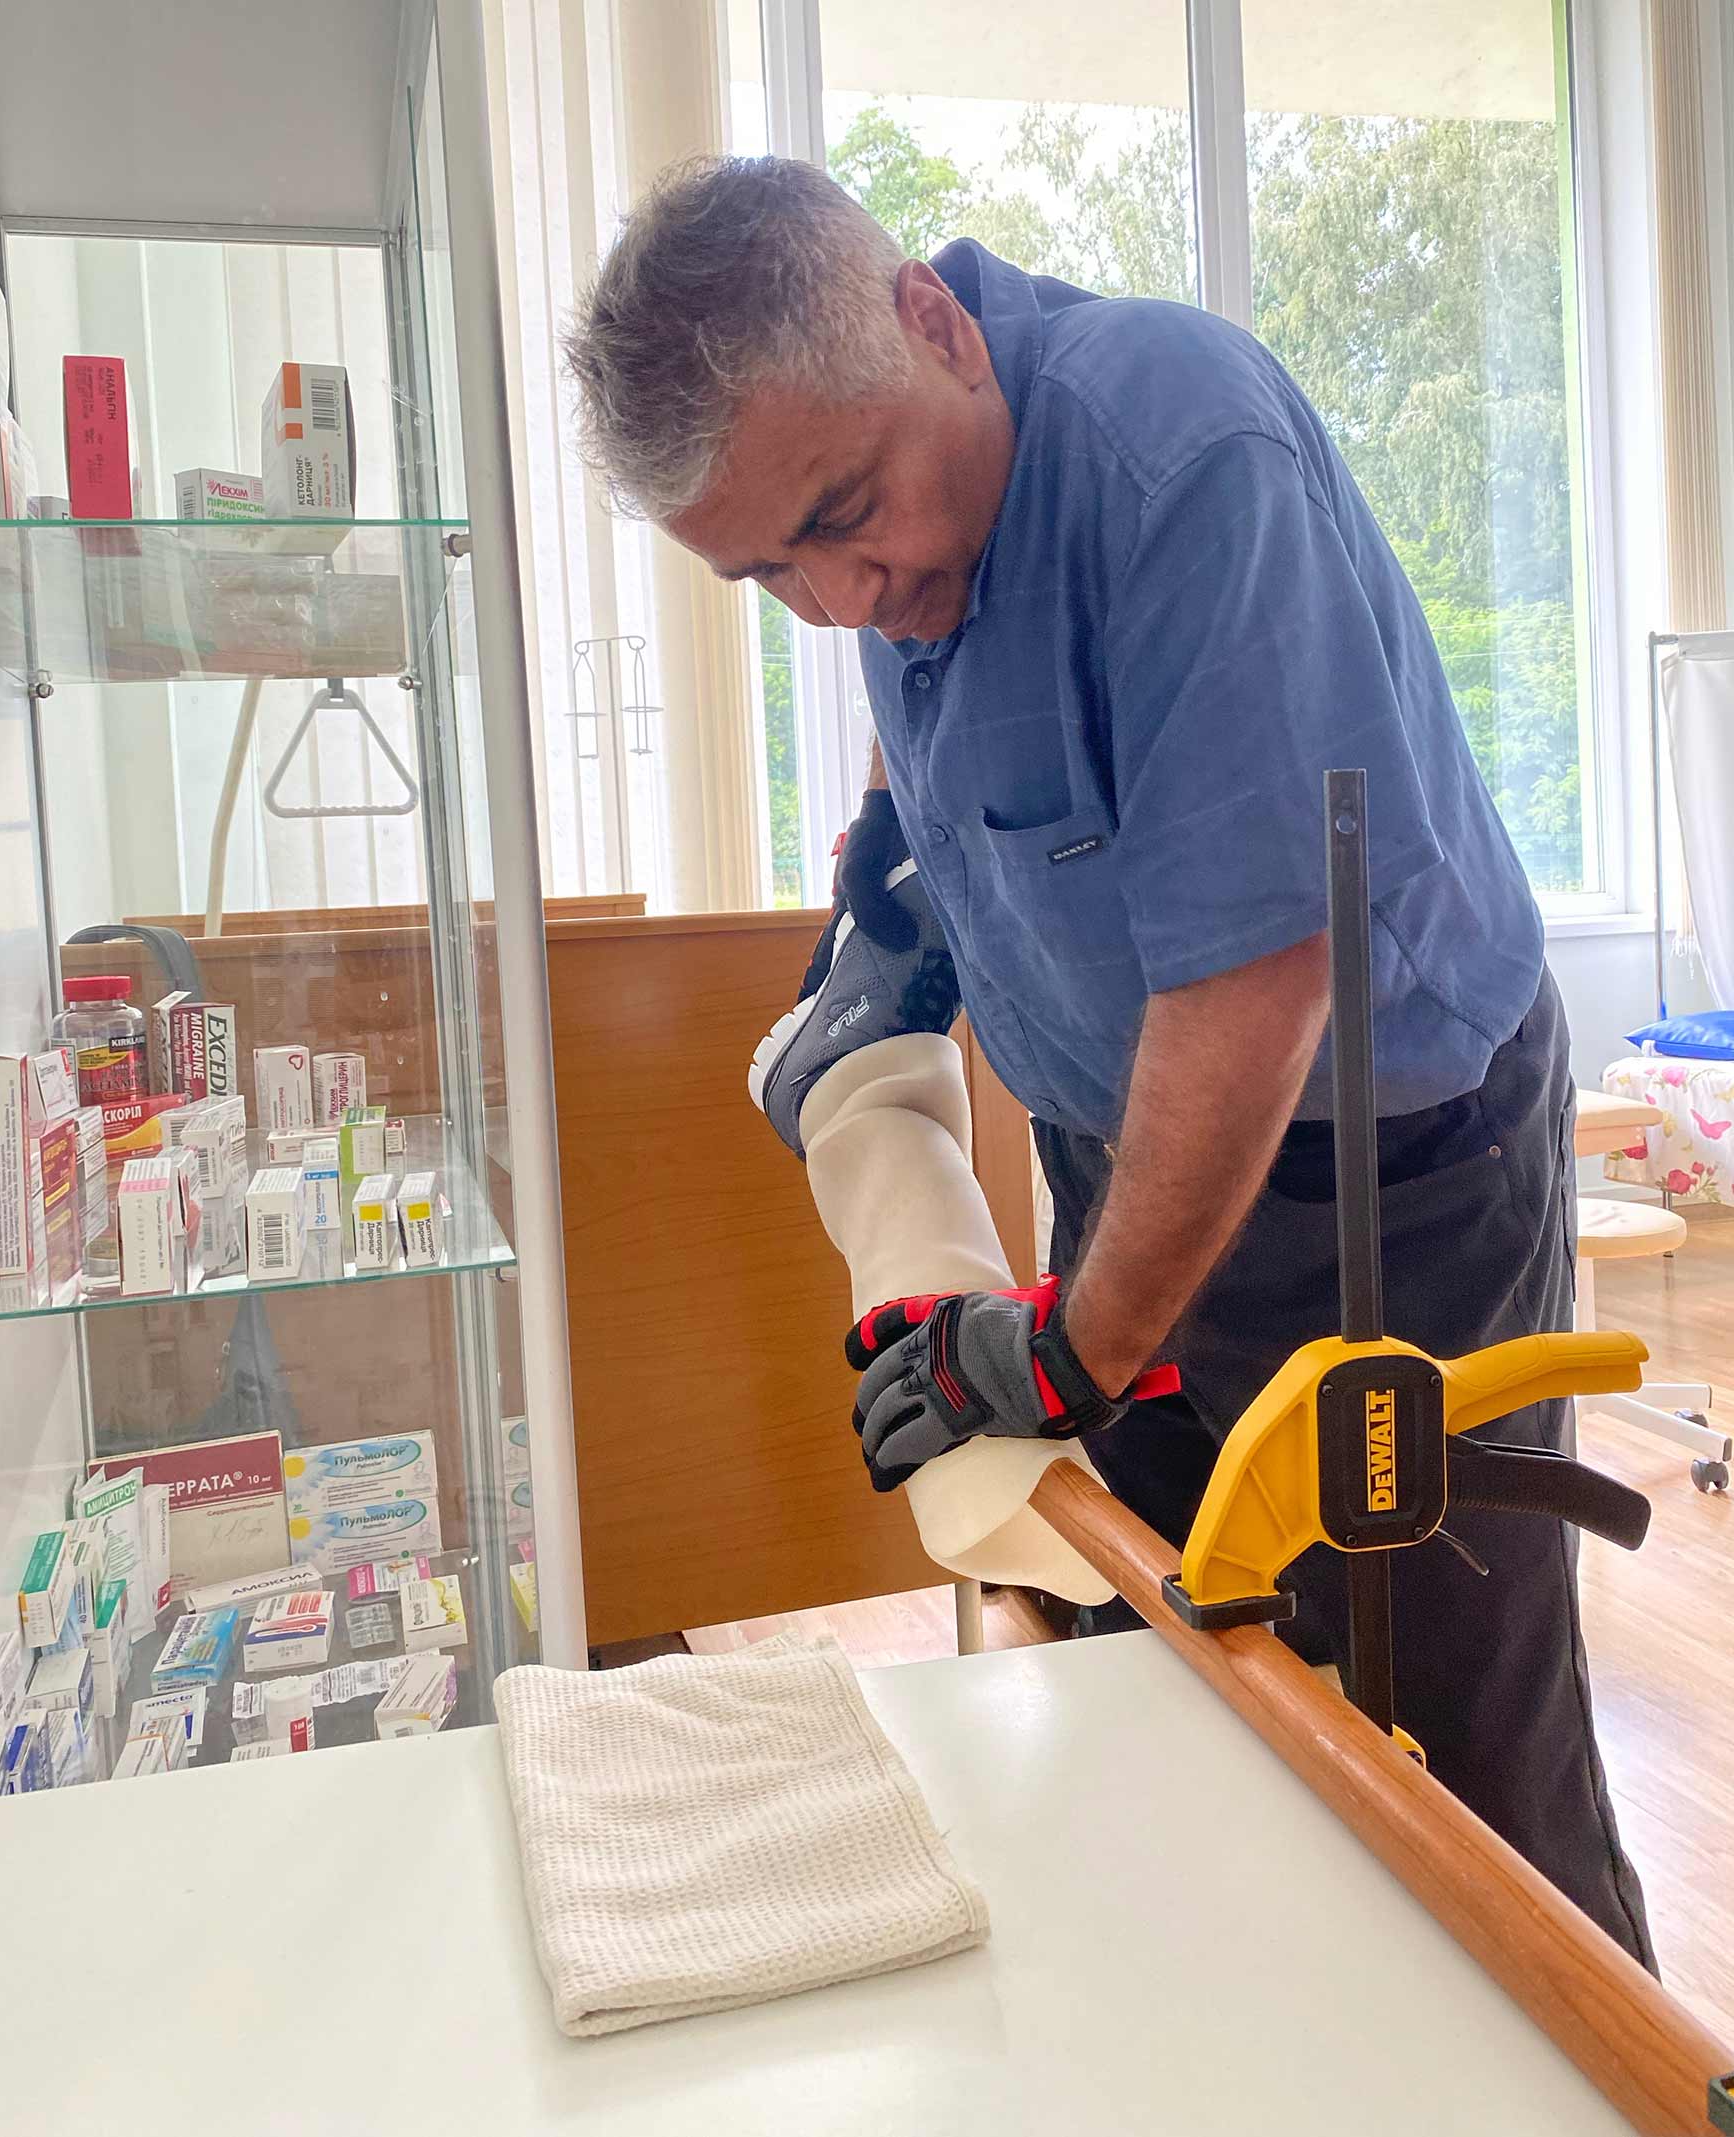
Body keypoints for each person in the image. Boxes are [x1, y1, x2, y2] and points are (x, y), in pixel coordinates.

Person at [563, 154, 1652, 1966]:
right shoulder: (906, 498)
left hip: (1396, 1192)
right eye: (773, 575)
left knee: (1459, 1755)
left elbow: (1256, 985)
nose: (840, 600)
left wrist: (1061, 1346)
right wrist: (889, 904)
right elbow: (959, 745)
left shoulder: (1177, 458)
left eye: (846, 516)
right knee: (1180, 1670)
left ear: (934, 322)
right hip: (1138, 1158)